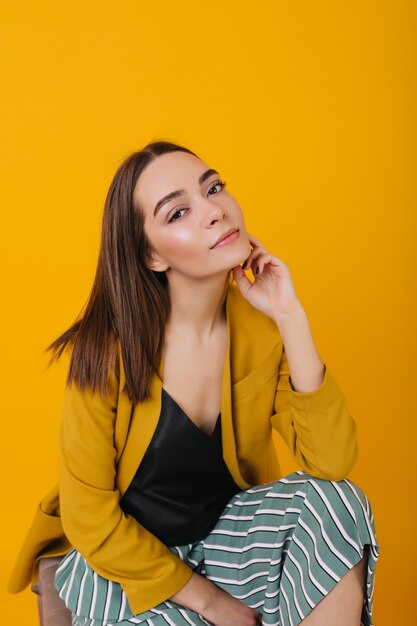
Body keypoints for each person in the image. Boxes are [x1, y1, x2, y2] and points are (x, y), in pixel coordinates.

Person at [8, 140, 380, 626]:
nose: (213, 212)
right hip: (126, 565)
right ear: (151, 257)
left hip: (228, 543)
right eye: (179, 211)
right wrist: (211, 602)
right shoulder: (105, 352)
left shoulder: (259, 327)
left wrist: (290, 316)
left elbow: (331, 461)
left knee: (338, 503)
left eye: (214, 189)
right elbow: (91, 520)